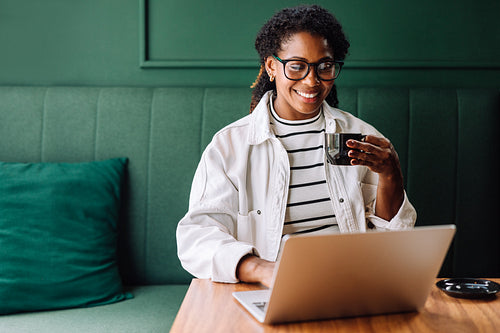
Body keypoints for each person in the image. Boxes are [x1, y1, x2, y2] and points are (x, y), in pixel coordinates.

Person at [176, 5, 416, 287]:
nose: (312, 81)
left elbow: (392, 240)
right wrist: (262, 270)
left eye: (324, 66)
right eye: (297, 66)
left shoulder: (359, 136)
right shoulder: (231, 146)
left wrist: (391, 174)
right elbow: (197, 238)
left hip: (352, 283)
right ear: (271, 66)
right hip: (275, 288)